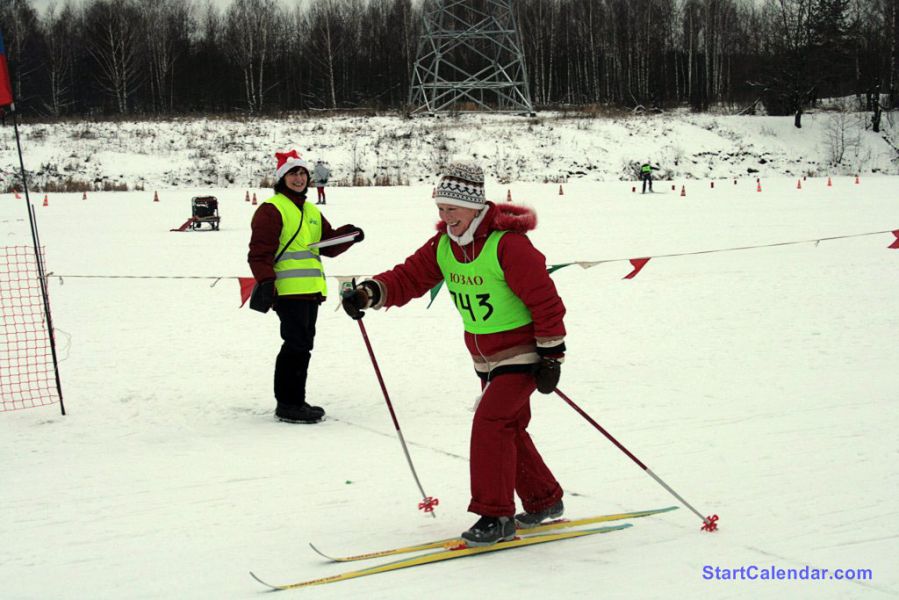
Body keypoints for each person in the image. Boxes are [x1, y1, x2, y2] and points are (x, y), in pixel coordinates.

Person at [341, 161, 566, 546]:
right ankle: (544, 500)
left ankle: (496, 516)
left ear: (475, 207)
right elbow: (409, 277)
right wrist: (370, 292)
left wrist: (551, 356)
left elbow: (545, 301)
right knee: (508, 427)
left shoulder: (508, 245)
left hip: (523, 354)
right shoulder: (445, 247)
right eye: (440, 210)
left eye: (453, 210)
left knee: (491, 422)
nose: (446, 218)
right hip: (485, 358)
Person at [248, 149, 364, 424]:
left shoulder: (310, 210)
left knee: (302, 345)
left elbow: (328, 245)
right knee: (296, 344)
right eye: (293, 173)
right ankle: (289, 403)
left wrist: (350, 235)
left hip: (311, 290)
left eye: (302, 173)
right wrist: (266, 281)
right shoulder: (271, 209)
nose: (299, 178)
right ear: (282, 179)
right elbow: (259, 252)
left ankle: (294, 400)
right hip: (287, 291)